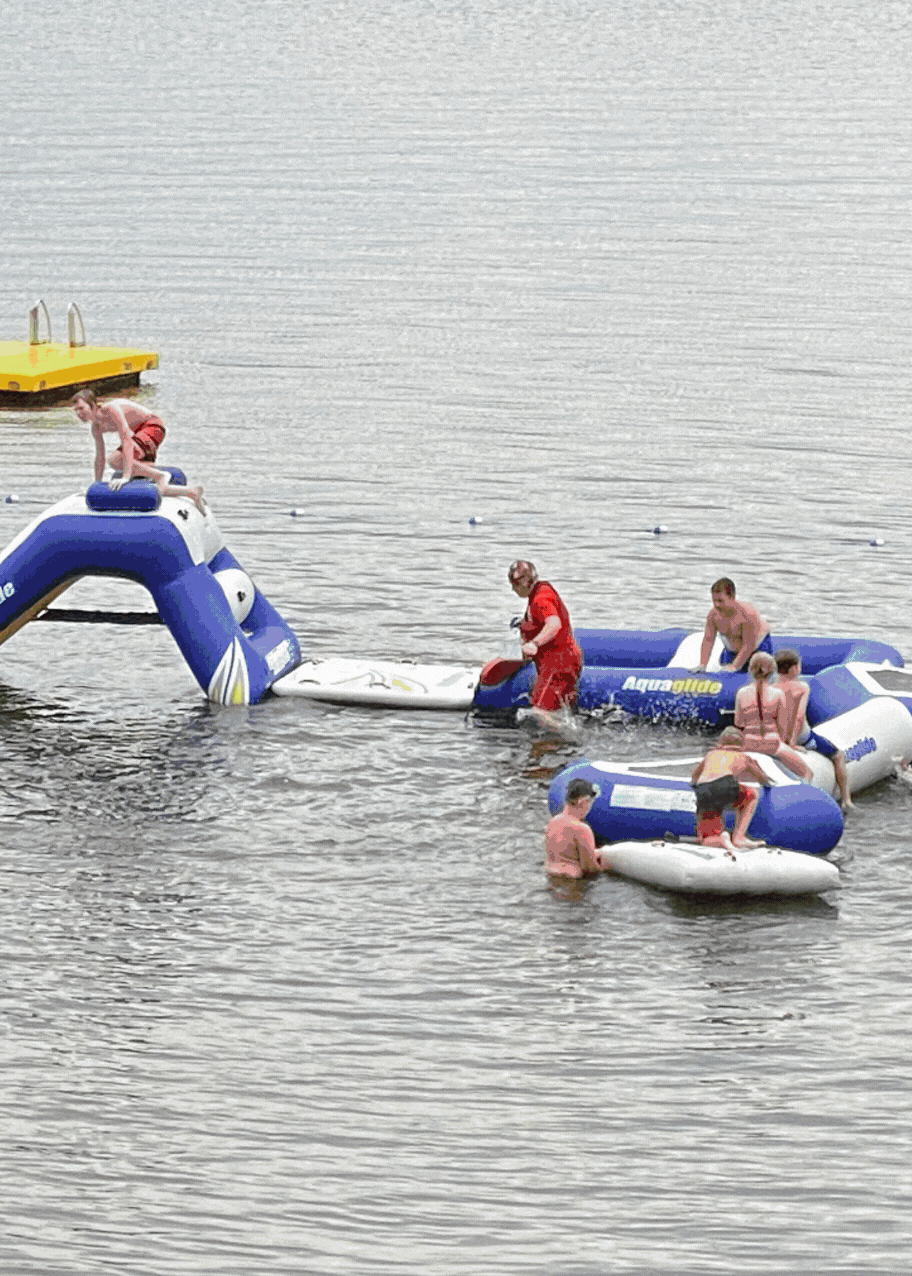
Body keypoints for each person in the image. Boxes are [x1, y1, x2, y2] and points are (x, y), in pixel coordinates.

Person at [71, 389, 206, 512]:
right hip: (140, 435)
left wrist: (126, 477)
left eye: (81, 408)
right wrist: (97, 484)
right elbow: (99, 456)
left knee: (115, 460)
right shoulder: (96, 427)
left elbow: (127, 441)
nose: (79, 413)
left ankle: (161, 476)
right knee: (151, 482)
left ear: (93, 405)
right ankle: (192, 493)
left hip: (153, 426)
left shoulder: (111, 410)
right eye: (76, 410)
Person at [508, 560, 583, 737]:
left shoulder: (540, 599)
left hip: (557, 664)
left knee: (540, 713)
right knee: (555, 710)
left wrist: (535, 643)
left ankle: (573, 736)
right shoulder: (542, 591)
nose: (513, 589)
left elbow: (554, 624)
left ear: (525, 582)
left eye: (514, 584)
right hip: (560, 662)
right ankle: (562, 741)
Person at [774, 648, 854, 811]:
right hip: (802, 737)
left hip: (774, 736)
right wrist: (792, 743)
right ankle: (846, 799)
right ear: (794, 668)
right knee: (838, 754)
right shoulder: (801, 687)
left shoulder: (771, 688)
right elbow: (798, 716)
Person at [733, 651, 813, 780]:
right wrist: (789, 744)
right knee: (807, 773)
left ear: (751, 670)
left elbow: (739, 722)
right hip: (772, 743)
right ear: (772, 671)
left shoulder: (741, 693)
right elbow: (782, 726)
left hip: (749, 742)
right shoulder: (777, 694)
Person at [690, 726, 770, 850]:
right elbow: (763, 778)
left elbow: (695, 776)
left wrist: (694, 787)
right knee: (751, 794)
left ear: (720, 743)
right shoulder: (744, 757)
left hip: (704, 789)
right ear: (742, 745)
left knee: (706, 838)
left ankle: (720, 839)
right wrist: (768, 784)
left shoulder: (711, 754)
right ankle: (739, 837)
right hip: (725, 785)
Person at [695, 577, 772, 672]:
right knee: (723, 667)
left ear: (732, 597)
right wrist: (702, 665)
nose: (716, 605)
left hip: (758, 647)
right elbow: (708, 640)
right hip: (733, 650)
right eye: (714, 601)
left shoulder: (748, 613)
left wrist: (734, 667)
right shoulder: (713, 616)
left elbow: (749, 645)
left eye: (720, 601)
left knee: (755, 669)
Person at [544, 778, 607, 877]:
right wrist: (606, 870)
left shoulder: (552, 822)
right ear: (584, 802)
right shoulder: (582, 829)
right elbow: (589, 867)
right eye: (590, 803)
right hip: (572, 884)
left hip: (550, 877)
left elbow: (566, 854)